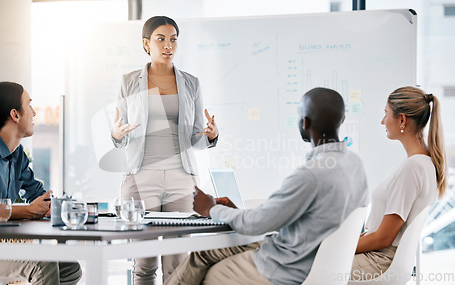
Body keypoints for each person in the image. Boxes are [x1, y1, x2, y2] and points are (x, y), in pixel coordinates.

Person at [165, 87, 369, 285]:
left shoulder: (311, 174)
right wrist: (237, 213)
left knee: (206, 271)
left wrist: (211, 209)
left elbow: (256, 224)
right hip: (308, 257)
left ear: (305, 122)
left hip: (284, 267)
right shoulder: (355, 165)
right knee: (205, 252)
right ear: (341, 120)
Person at [110, 16, 219, 284]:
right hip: (141, 176)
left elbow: (196, 135)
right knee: (144, 263)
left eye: (173, 39)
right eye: (161, 39)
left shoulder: (191, 83)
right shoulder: (129, 81)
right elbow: (120, 132)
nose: (168, 45)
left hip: (182, 179)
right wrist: (116, 134)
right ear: (147, 44)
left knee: (177, 264)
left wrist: (211, 136)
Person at [0, 81, 82, 285]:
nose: (34, 112)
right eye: (29, 105)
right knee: (43, 266)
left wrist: (50, 205)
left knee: (70, 269)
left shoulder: (17, 154)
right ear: (15, 114)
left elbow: (36, 194)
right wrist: (30, 210)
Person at [350, 86, 447, 281]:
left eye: (386, 114)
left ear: (402, 119)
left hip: (378, 261)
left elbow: (383, 238)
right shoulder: (424, 163)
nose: (382, 121)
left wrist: (342, 248)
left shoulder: (413, 168)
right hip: (379, 257)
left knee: (302, 266)